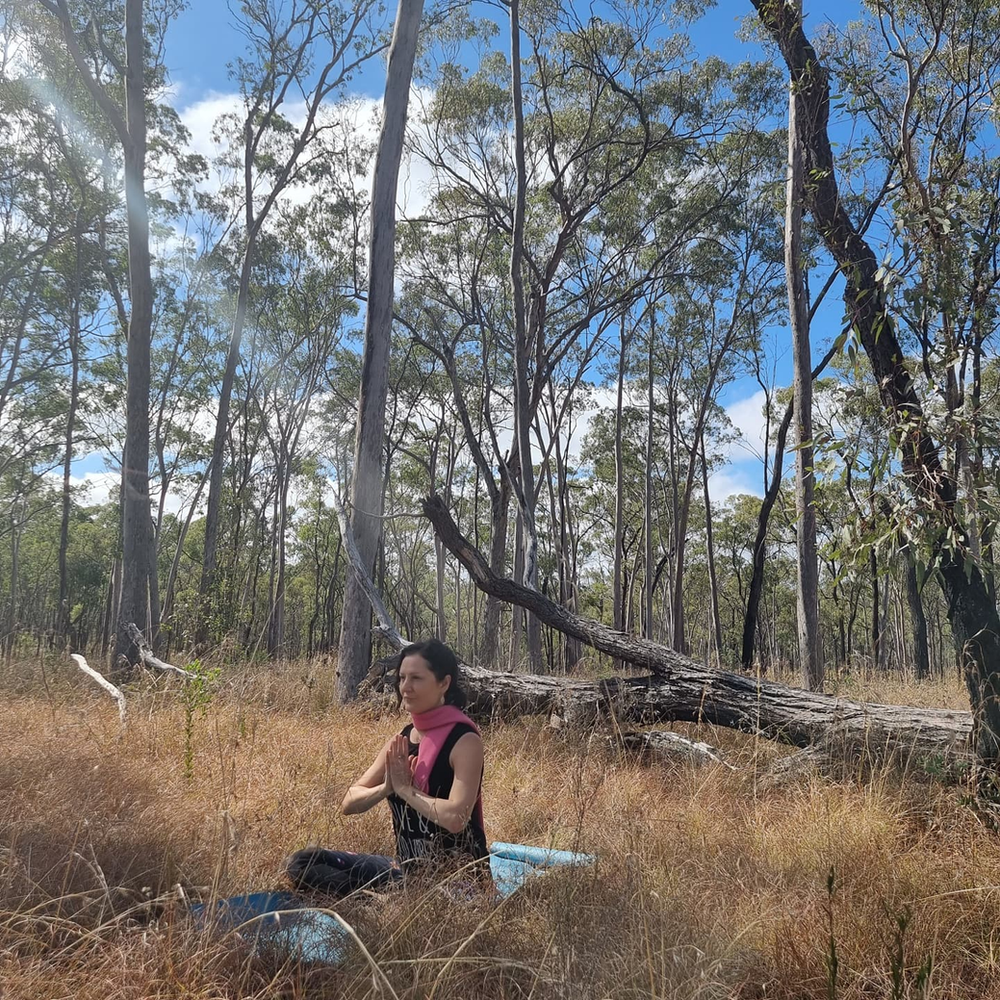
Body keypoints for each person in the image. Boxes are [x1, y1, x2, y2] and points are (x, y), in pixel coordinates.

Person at [286, 639, 489, 897]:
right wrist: (386, 788)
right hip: (407, 872)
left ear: (444, 683)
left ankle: (386, 902)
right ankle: (378, 901)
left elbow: (456, 818)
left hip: (457, 883)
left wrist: (406, 791)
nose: (406, 687)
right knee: (303, 862)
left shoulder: (464, 740)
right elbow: (349, 802)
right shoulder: (402, 740)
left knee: (424, 897)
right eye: (402, 678)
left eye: (416, 678)